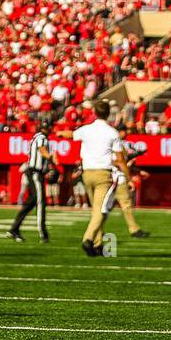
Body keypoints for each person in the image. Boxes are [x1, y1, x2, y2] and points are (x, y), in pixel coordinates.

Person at [72, 100, 132, 257]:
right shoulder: (112, 132)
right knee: (101, 210)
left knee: (96, 210)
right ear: (108, 114)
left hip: (87, 173)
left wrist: (58, 133)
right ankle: (88, 239)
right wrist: (128, 177)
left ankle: (98, 245)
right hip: (103, 174)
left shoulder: (86, 129)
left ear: (94, 112)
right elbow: (119, 158)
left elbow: (72, 135)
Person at [8, 117, 52, 243]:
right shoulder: (41, 138)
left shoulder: (37, 136)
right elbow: (42, 150)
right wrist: (52, 158)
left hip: (34, 172)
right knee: (40, 202)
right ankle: (43, 234)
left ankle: (14, 229)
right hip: (35, 173)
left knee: (31, 203)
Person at [100, 140, 149, 237]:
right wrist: (129, 179)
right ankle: (97, 229)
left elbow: (123, 159)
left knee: (124, 205)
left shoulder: (115, 146)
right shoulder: (111, 148)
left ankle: (134, 229)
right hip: (115, 179)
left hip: (117, 179)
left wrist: (136, 154)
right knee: (106, 207)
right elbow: (119, 162)